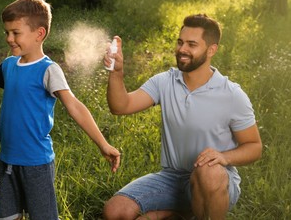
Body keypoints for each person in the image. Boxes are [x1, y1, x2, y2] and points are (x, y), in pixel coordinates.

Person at [0, 0, 121, 220]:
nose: (9, 38)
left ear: (39, 34)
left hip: (36, 165)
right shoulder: (8, 65)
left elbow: (74, 106)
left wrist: (102, 144)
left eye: (16, 33)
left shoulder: (48, 70)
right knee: (7, 216)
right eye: (6, 32)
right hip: (7, 162)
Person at [102, 14, 262, 220]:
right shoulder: (165, 82)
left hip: (216, 181)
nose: (182, 49)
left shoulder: (231, 95)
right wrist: (116, 71)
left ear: (211, 50)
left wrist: (224, 157)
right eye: (180, 42)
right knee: (114, 212)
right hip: (172, 178)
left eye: (192, 44)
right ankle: (182, 213)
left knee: (207, 170)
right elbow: (120, 106)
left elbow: (254, 146)